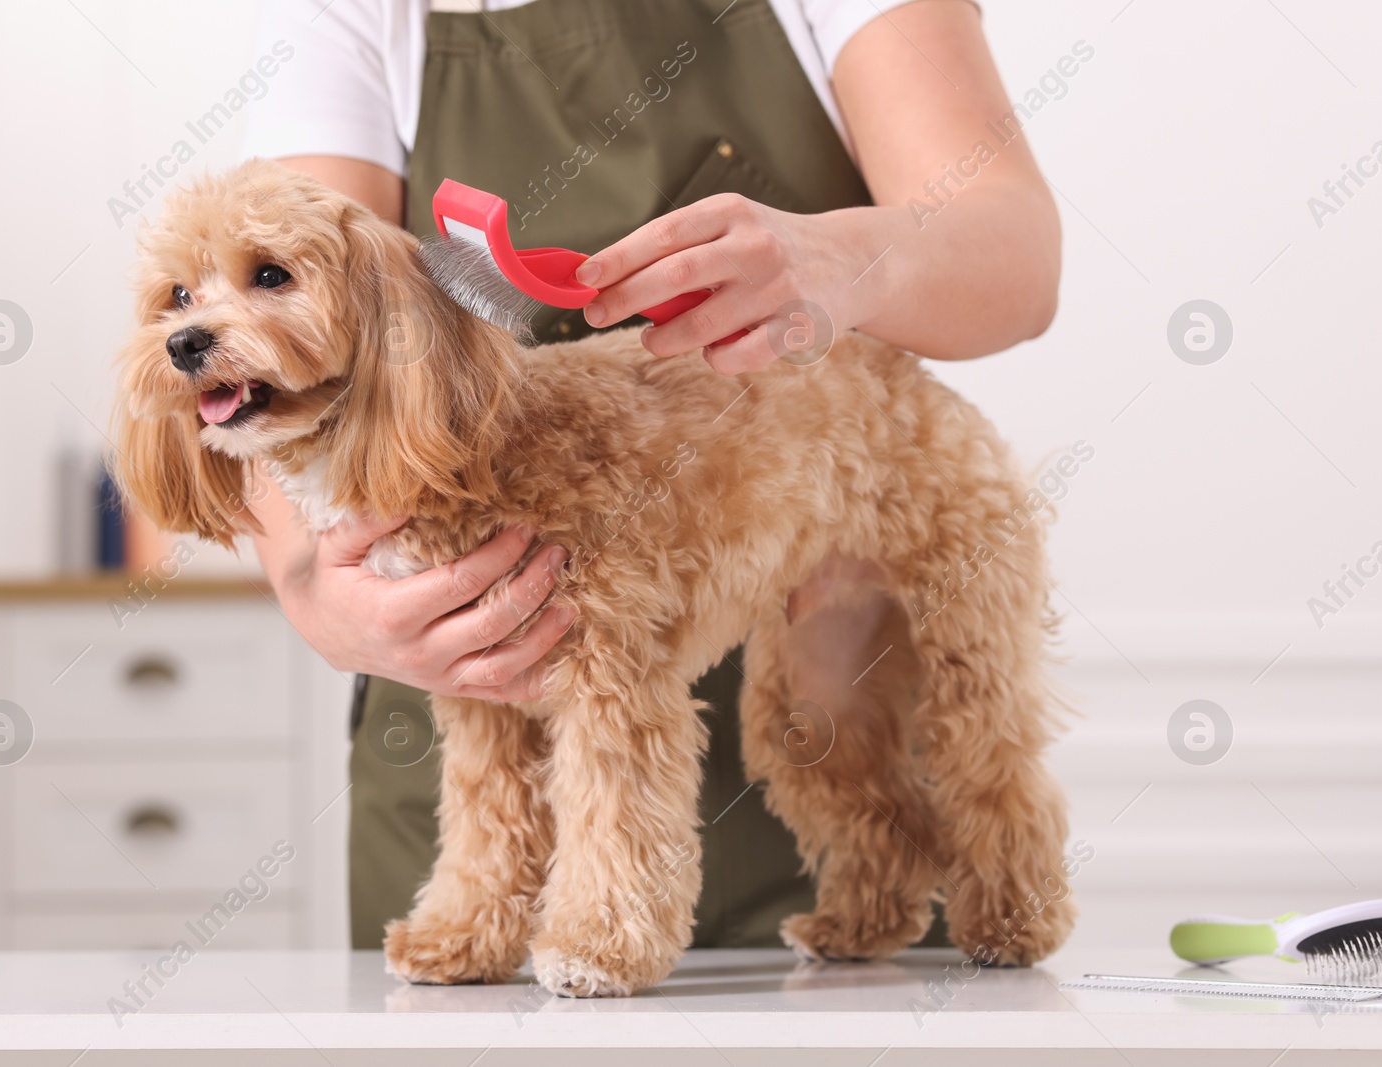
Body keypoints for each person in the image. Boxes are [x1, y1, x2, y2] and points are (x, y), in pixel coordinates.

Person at [241, 0, 1060, 949]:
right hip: (451, 701)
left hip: (807, 720)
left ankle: (869, 873)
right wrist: (318, 591)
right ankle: (493, 899)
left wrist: (850, 259)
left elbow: (1021, 258)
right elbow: (273, 361)